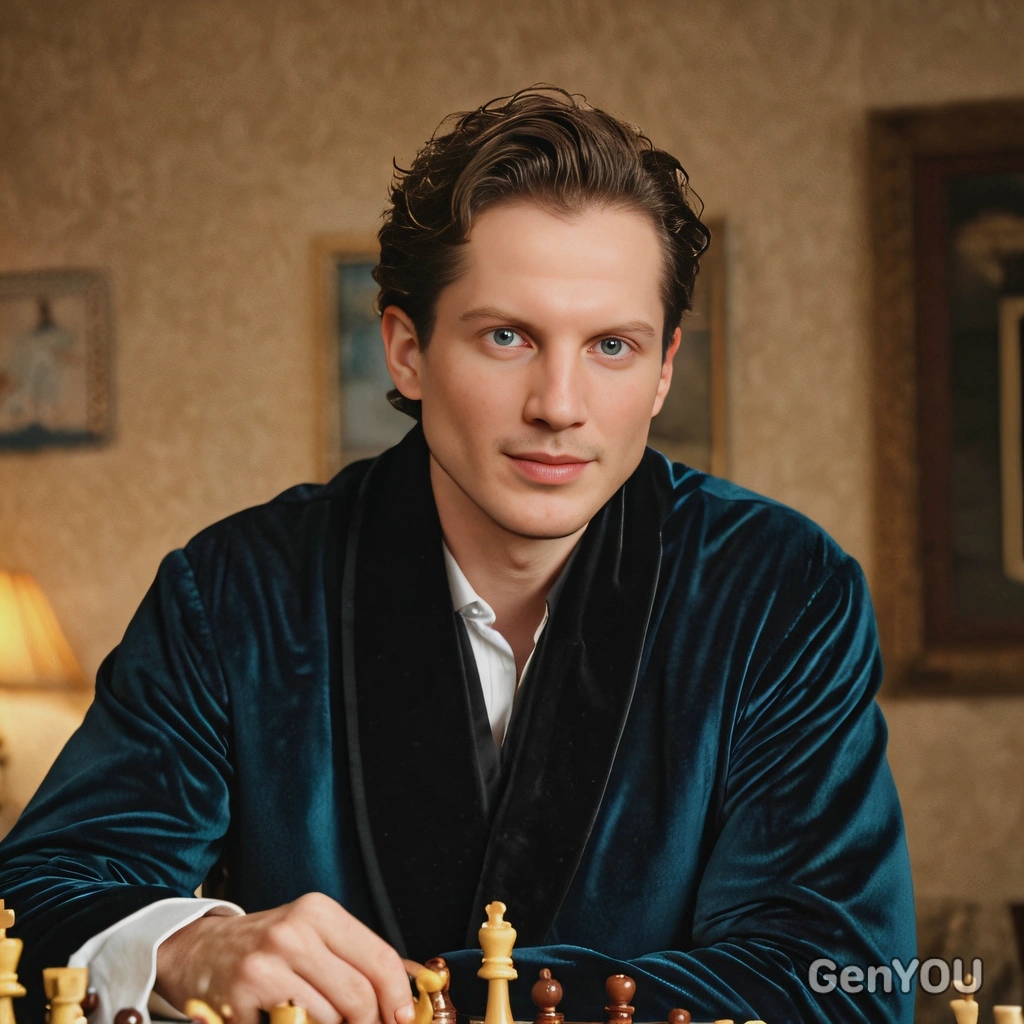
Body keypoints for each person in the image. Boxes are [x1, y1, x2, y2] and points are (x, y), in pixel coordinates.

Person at [0, 88, 916, 1024]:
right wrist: (188, 943)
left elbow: (840, 974)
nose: (559, 403)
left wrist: (422, 1006)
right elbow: (35, 896)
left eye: (611, 345)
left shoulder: (784, 590)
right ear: (406, 350)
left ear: (664, 370)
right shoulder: (235, 591)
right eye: (507, 336)